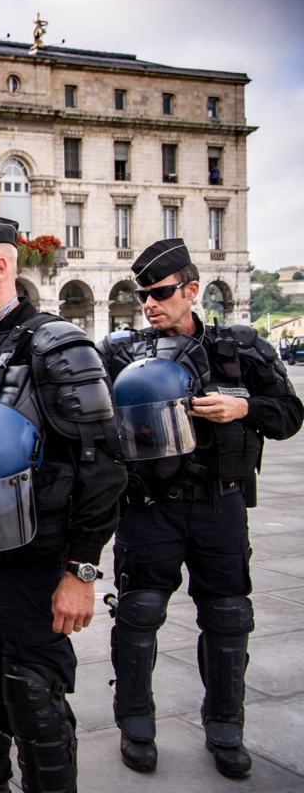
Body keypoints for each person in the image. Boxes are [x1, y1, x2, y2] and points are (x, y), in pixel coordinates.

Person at [0, 214, 127, 792]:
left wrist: (81, 570)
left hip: (35, 565)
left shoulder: (59, 344)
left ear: (0, 267)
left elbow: (104, 466)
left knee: (34, 694)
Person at [97, 239, 302, 778]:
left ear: (192, 289)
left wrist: (244, 407)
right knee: (138, 614)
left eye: (161, 292)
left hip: (220, 503)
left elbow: (288, 415)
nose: (149, 303)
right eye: (142, 294)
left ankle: (225, 727)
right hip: (149, 507)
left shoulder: (239, 347)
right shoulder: (120, 352)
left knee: (229, 617)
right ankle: (135, 722)